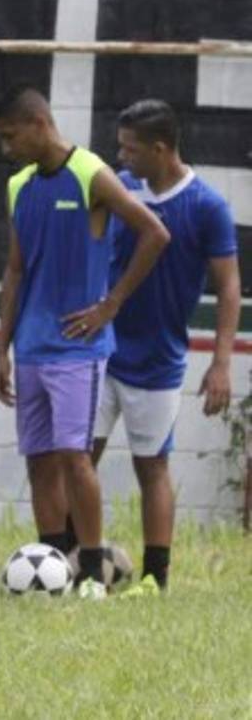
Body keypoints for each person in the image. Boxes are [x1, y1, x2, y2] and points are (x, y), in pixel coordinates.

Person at [0, 85, 169, 601]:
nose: (6, 147)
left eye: (10, 136)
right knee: (39, 460)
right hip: (31, 346)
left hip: (77, 350)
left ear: (39, 124)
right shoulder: (20, 185)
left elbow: (155, 233)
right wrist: (1, 348)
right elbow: (15, 269)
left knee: (75, 457)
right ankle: (54, 564)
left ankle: (91, 570)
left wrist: (111, 304)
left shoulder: (90, 173)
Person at [93, 99, 241, 595]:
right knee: (78, 457)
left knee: (151, 466)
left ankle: (155, 579)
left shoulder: (206, 206)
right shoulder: (120, 186)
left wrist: (221, 364)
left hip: (157, 361)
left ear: (160, 149)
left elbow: (229, 287)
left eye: (130, 149)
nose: (122, 157)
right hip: (102, 350)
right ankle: (73, 559)